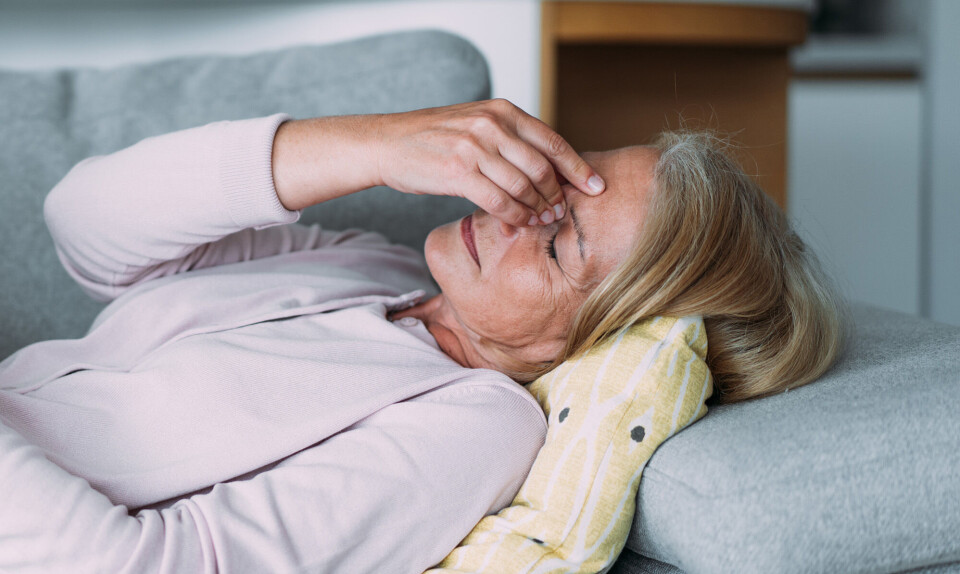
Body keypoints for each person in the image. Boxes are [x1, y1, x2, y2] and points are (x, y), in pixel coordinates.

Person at [0, 99, 843, 573]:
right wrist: (376, 144)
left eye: (556, 244)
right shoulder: (373, 272)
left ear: (584, 344)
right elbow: (84, 227)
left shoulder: (469, 427)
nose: (516, 211)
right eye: (558, 181)